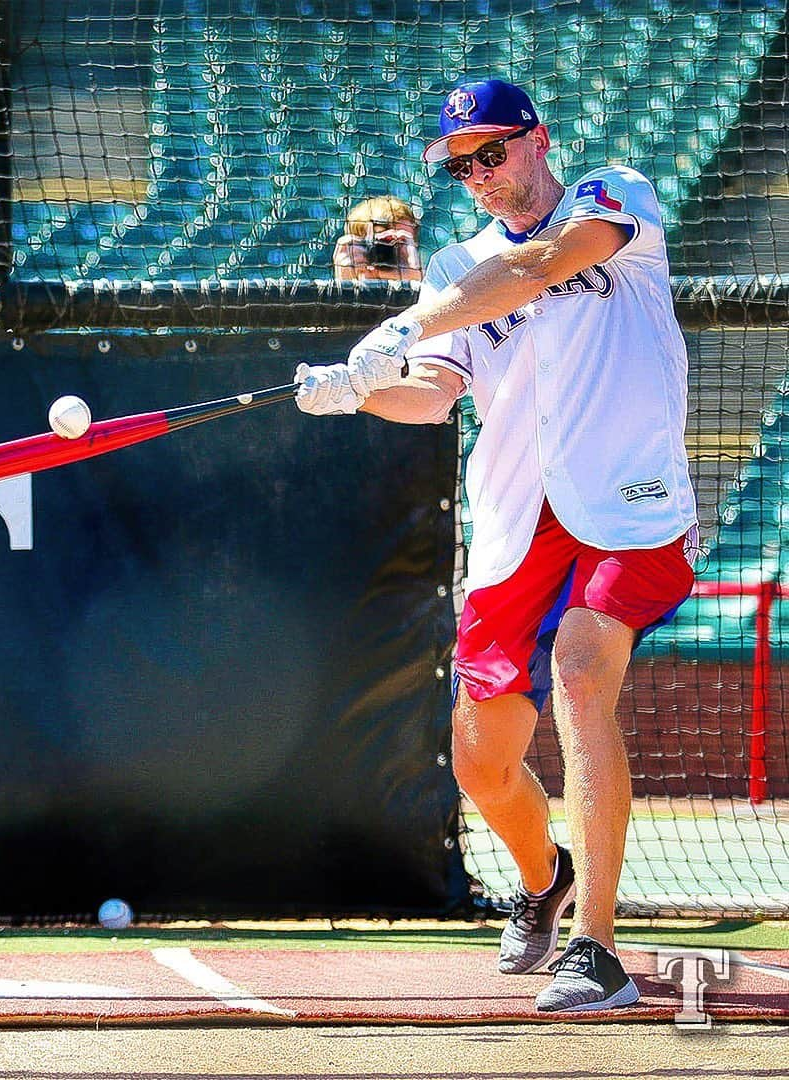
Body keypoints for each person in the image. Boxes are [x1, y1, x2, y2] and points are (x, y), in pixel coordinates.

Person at [294, 79, 697, 1013]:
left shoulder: (613, 195)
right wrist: (359, 390)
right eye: (462, 163)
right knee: (481, 761)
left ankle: (595, 947)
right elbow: (433, 393)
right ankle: (544, 876)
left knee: (583, 667)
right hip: (519, 519)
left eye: (493, 151)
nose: (479, 174)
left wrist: (402, 322)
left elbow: (537, 268)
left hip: (623, 502)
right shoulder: (454, 265)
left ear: (537, 139)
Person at [333, 195, 422, 283]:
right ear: (358, 246)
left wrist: (415, 276)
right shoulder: (326, 295)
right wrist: (345, 282)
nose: (390, 249)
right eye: (384, 241)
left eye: (402, 242)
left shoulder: (430, 287)